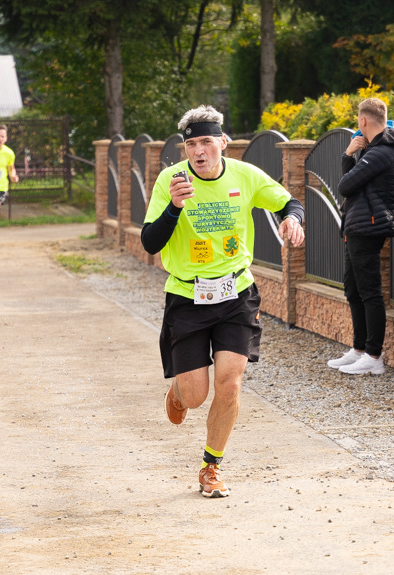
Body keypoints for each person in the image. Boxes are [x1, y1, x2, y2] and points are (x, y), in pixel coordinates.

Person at [142, 105, 305, 498]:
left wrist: (294, 219)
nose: (199, 151)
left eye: (207, 142)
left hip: (236, 295)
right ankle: (180, 392)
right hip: (187, 295)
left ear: (223, 143)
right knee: (196, 396)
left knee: (230, 384)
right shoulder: (171, 181)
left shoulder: (245, 176)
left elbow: (288, 201)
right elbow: (150, 242)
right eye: (192, 144)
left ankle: (211, 467)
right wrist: (173, 208)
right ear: (185, 149)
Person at [326, 97, 394, 375]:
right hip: (357, 225)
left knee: (370, 292)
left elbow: (345, 185)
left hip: (368, 226)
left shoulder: (381, 152)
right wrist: (351, 155)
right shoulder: (374, 150)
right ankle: (359, 349)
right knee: (353, 289)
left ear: (362, 121)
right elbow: (352, 185)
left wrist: (348, 155)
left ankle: (374, 357)